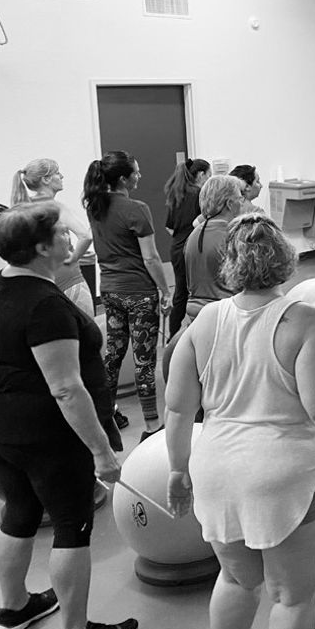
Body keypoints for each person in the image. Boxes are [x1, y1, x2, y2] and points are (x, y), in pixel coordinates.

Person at [164, 213, 315, 629]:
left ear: (231, 264)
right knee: (292, 595)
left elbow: (179, 409)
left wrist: (179, 470)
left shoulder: (204, 323)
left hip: (216, 469)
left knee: (238, 579)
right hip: (286, 475)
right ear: (284, 259)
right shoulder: (303, 321)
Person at [0, 203, 139, 629]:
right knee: (71, 524)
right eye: (63, 234)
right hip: (45, 433)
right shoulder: (45, 306)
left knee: (19, 511)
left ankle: (15, 608)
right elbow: (66, 389)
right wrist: (102, 453)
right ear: (42, 247)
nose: (70, 240)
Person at [83, 151, 171, 439]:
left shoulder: (94, 206)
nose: (140, 176)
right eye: (136, 172)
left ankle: (105, 420)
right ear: (124, 178)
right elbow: (151, 259)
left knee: (113, 355)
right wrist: (165, 290)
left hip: (109, 291)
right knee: (145, 360)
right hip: (139, 294)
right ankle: (151, 426)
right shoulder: (137, 209)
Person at [10, 159, 96, 316]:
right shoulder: (55, 207)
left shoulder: (21, 208)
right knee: (86, 334)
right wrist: (74, 258)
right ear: (46, 179)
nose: (61, 176)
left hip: (38, 282)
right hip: (68, 279)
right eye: (57, 173)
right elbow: (85, 236)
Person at [184, 175, 244, 322]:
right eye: (240, 199)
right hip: (224, 316)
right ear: (229, 203)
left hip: (197, 314)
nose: (242, 204)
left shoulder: (194, 234)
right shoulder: (232, 236)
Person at [164, 158, 211, 340]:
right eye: (209, 174)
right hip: (193, 250)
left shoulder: (177, 194)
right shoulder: (200, 195)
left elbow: (169, 227)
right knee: (199, 292)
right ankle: (198, 335)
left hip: (176, 248)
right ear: (201, 175)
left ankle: (173, 336)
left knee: (180, 294)